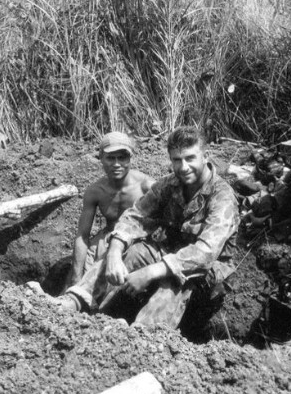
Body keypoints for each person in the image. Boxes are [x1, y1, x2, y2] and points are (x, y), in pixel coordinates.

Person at [61, 126, 240, 329]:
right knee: (134, 251)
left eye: (190, 158)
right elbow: (135, 216)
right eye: (176, 160)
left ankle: (144, 335)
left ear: (205, 156)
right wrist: (114, 252)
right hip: (167, 252)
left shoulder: (222, 196)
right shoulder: (169, 184)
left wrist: (150, 273)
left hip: (206, 271)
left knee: (175, 281)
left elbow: (205, 253)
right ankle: (75, 302)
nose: (183, 167)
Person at [28, 131, 154, 296]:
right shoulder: (95, 191)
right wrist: (76, 275)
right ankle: (63, 303)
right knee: (81, 274)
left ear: (130, 159)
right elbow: (82, 235)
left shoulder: (146, 186)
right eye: (110, 158)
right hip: (107, 237)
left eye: (122, 158)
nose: (116, 164)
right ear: (101, 158)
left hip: (139, 239)